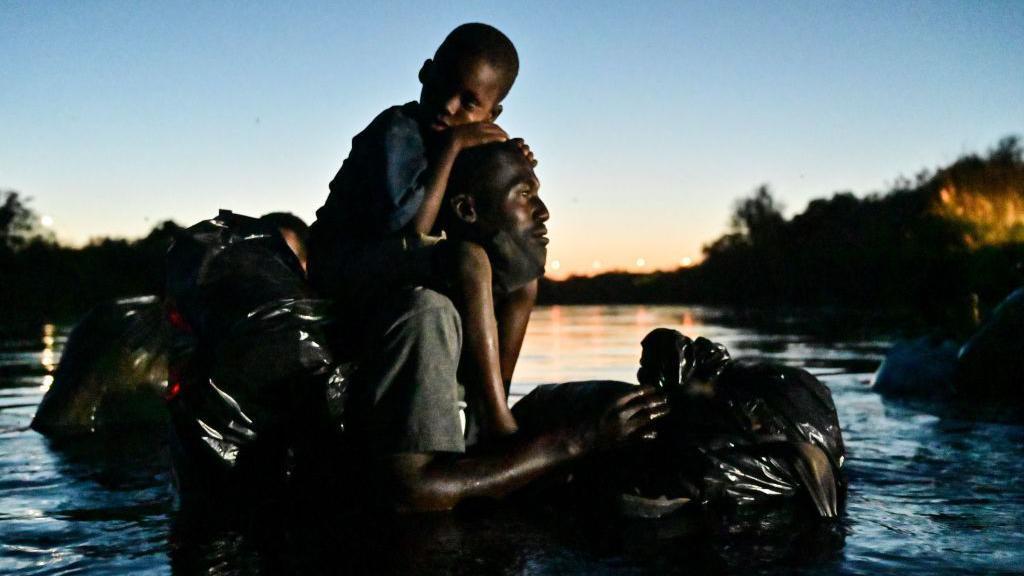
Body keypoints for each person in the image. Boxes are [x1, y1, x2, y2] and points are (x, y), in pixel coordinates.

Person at [340, 141, 670, 512]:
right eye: (523, 194)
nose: (543, 212)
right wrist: (575, 442)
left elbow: (491, 438)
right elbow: (412, 492)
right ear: (468, 210)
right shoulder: (427, 312)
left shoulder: (502, 301)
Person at [307, 23, 535, 441]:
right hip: (345, 266)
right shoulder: (396, 130)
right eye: (445, 84)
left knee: (524, 277)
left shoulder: (470, 145)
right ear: (425, 73)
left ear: (492, 114)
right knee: (468, 260)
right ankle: (498, 419)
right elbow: (411, 230)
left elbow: (494, 222)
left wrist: (511, 164)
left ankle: (494, 398)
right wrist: (451, 149)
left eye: (469, 102)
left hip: (398, 264)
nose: (449, 106)